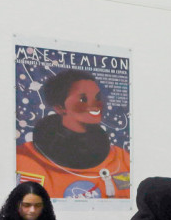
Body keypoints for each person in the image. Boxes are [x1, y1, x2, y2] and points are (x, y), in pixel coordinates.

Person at [16, 69, 131, 199]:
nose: (95, 104)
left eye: (97, 97)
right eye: (83, 99)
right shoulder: (26, 159)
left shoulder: (121, 158)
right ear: (60, 107)